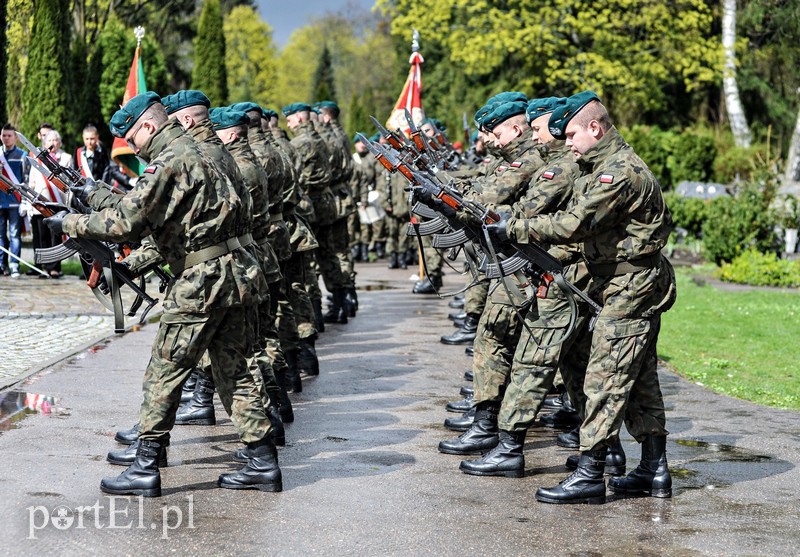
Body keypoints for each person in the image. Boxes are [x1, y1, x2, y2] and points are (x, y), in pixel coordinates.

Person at [44, 92, 283, 497]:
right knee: (234, 368)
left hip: (202, 282)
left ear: (150, 127)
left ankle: (145, 466)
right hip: (239, 273)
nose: (135, 149)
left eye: (135, 140)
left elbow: (126, 222)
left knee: (164, 370)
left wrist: (71, 223)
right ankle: (262, 460)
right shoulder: (213, 151)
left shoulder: (170, 159)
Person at [488, 91, 677, 504]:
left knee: (604, 378)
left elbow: (576, 222)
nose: (566, 142)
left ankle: (592, 472)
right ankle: (652, 469)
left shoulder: (620, 172)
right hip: (618, 283)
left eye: (572, 134)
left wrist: (516, 227)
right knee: (641, 377)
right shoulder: (602, 166)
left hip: (632, 286)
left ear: (595, 127)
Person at [27, 129, 73, 278]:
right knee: (41, 235)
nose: (52, 143)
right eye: (49, 141)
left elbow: (68, 181)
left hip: (56, 203)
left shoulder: (65, 157)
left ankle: (54, 268)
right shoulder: (35, 157)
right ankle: (42, 268)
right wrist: (28, 201)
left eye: (55, 140)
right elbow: (32, 180)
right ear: (43, 143)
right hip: (39, 202)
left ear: (59, 142)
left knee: (55, 236)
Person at [0, 123, 28, 278]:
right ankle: (1, 264)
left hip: (15, 202)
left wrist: (24, 201)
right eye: (4, 135)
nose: (6, 138)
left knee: (15, 234)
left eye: (9, 135)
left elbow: (25, 179)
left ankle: (14, 265)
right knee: (0, 235)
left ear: (15, 137)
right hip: (0, 202)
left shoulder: (22, 155)